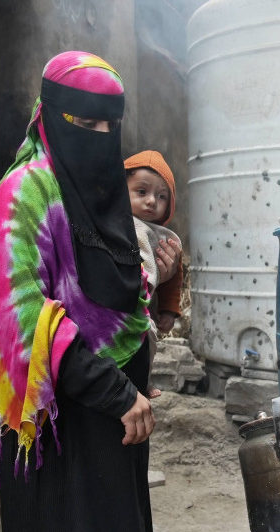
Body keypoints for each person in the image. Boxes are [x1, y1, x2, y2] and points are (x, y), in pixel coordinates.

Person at [0, 51, 167, 532]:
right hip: (55, 422)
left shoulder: (105, 195)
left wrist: (135, 381)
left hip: (115, 422)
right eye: (85, 124)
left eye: (111, 125)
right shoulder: (22, 194)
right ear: (49, 115)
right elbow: (22, 316)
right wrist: (114, 390)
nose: (100, 138)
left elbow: (118, 306)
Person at [124, 150, 184, 398]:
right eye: (141, 192)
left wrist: (169, 310)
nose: (151, 201)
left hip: (142, 308)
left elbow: (174, 277)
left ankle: (142, 383)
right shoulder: (112, 222)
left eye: (161, 196)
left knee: (148, 341)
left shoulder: (163, 237)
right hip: (115, 303)